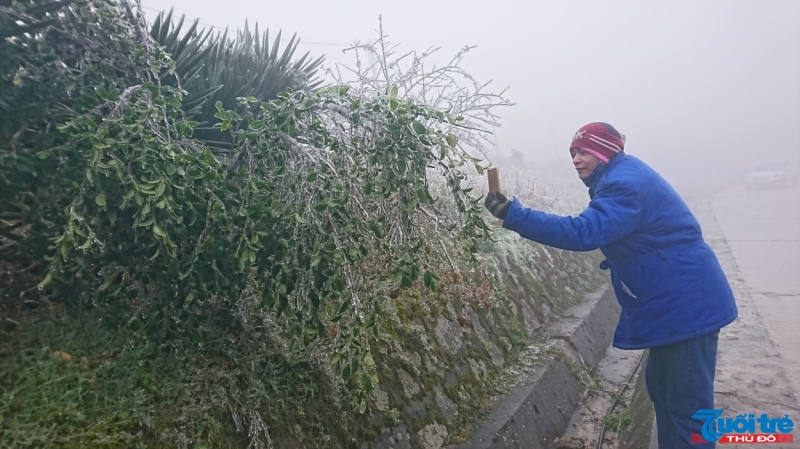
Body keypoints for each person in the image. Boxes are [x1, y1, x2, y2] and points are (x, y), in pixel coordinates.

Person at [484, 122, 738, 448]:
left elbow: (584, 233)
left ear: (605, 151)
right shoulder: (622, 176)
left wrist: (515, 215)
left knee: (687, 407)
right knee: (663, 391)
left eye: (584, 151)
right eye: (573, 152)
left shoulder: (624, 186)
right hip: (678, 305)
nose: (576, 159)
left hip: (687, 308)